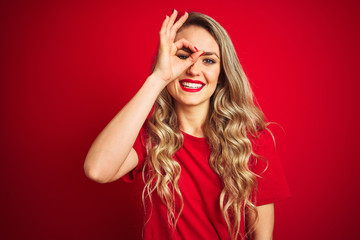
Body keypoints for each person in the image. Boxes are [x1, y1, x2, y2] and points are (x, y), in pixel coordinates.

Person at [84, 10, 290, 240]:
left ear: (222, 74)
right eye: (183, 56)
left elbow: (262, 236)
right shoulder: (151, 137)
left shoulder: (252, 141)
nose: (193, 69)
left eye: (209, 60)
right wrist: (158, 78)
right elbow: (97, 170)